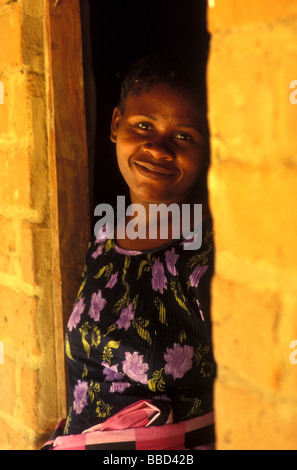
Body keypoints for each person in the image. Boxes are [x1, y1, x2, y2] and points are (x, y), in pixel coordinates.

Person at [43, 53, 216, 450]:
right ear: (116, 124)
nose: (159, 148)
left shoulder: (208, 255)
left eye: (184, 135)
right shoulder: (104, 236)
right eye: (144, 126)